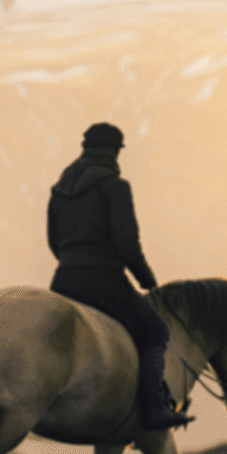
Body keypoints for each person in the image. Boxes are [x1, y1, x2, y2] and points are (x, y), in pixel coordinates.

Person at [47, 122, 194, 430]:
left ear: (85, 148)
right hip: (103, 281)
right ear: (114, 152)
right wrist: (147, 280)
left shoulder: (59, 190)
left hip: (63, 280)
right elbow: (127, 243)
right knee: (155, 331)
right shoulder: (115, 187)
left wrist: (72, 263)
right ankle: (153, 409)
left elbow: (53, 241)